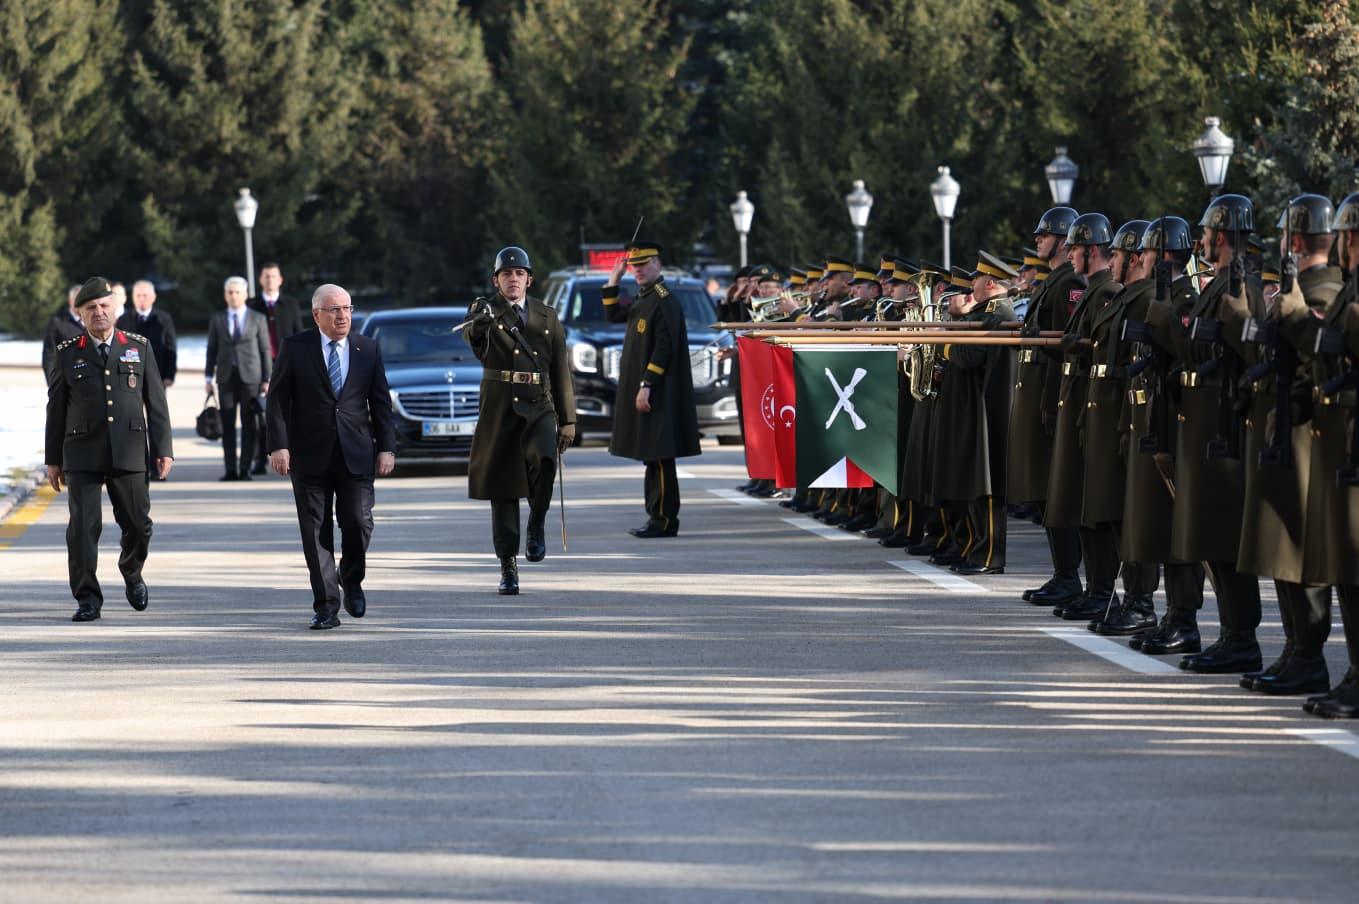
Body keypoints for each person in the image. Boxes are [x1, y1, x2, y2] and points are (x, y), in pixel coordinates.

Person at [1222, 193, 1339, 694]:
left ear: (1295, 241)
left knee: (1301, 549)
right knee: (1283, 550)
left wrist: (1286, 314)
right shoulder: (1298, 291)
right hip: (1280, 429)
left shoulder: (1326, 292)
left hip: (1308, 433)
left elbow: (1319, 354)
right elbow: (1260, 347)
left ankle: (1309, 655)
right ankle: (1294, 649)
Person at [266, 284, 396, 630]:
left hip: (355, 453)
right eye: (334, 310)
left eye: (347, 308)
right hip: (309, 456)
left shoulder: (367, 349)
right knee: (315, 532)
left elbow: (380, 402)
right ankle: (326, 605)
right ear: (316, 315)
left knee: (358, 521)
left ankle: (350, 578)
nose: (342, 316)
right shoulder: (297, 348)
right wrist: (279, 445)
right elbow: (277, 400)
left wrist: (387, 447)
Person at [44, 277, 173, 622]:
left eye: (104, 306)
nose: (99, 313)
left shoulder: (138, 346)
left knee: (139, 524)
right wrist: (53, 460)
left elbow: (155, 403)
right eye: (91, 309)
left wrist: (163, 448)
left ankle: (131, 570)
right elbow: (55, 407)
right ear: (80, 315)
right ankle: (87, 598)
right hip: (82, 450)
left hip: (129, 448)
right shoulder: (68, 352)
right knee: (82, 530)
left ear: (115, 308)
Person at [463, 246, 575, 595]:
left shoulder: (546, 315)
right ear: (496, 280)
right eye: (506, 274)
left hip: (539, 403)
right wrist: (480, 323)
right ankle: (508, 564)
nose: (513, 279)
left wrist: (568, 419)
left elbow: (560, 369)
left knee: (544, 460)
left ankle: (537, 522)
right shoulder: (485, 311)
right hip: (500, 406)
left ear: (529, 279)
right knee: (504, 486)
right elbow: (475, 339)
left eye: (519, 274)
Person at [1044, 212, 1123, 623]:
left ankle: (1103, 589)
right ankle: (1095, 588)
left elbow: (1100, 347)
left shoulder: (1106, 292)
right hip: (1080, 403)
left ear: (1091, 250)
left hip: (1095, 404)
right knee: (1084, 504)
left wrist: (1073, 343)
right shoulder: (1094, 290)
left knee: (1096, 507)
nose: (1070, 254)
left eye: (1075, 248)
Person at [1010, 208, 1084, 607]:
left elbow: (1066, 349)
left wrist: (1054, 404)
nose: (1038, 241)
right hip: (1037, 394)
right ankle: (1063, 573)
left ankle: (1069, 575)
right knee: (1041, 491)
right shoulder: (1050, 282)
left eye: (1044, 235)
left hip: (1050, 398)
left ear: (1062, 240)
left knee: (1054, 492)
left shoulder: (1069, 282)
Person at [602, 241, 701, 537]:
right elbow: (614, 316)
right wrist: (613, 281)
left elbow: (665, 347)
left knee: (659, 456)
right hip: (646, 389)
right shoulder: (644, 297)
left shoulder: (663, 299)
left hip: (657, 391)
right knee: (652, 455)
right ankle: (656, 517)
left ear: (658, 265)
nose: (639, 270)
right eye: (635, 265)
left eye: (644, 264)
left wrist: (647, 384)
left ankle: (664, 520)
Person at [929, 252, 1017, 575]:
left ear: (990, 282)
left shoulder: (997, 314)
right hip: (972, 406)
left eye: (976, 280)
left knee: (987, 485)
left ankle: (990, 554)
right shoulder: (985, 313)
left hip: (986, 407)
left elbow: (970, 355)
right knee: (973, 483)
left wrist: (946, 342)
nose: (972, 287)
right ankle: (974, 548)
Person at [205, 276, 272, 481]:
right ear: (225, 295)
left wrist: (266, 378)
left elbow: (265, 350)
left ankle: (245, 468)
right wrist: (208, 376)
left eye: (237, 292)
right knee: (227, 424)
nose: (233, 295)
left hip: (251, 377)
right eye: (230, 292)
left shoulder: (257, 318)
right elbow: (211, 349)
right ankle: (230, 469)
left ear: (245, 294)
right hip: (226, 377)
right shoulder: (218, 319)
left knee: (249, 424)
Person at [248, 262, 305, 475]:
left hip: (287, 366)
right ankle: (259, 459)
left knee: (288, 414)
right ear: (260, 279)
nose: (270, 280)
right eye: (266, 276)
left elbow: (299, 334)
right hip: (259, 368)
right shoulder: (252, 306)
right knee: (259, 416)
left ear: (280, 279)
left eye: (274, 276)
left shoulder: (290, 305)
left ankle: (290, 456)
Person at [116, 280, 177, 387]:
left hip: (158, 375)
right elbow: (117, 349)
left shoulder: (164, 319)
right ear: (133, 297)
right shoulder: (123, 320)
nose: (141, 299)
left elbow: (171, 348)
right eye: (138, 295)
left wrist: (169, 375)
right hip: (131, 377)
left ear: (153, 297)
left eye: (145, 295)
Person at [42, 285, 86, 386]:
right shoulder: (57, 323)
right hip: (67, 383)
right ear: (70, 301)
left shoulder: (93, 321)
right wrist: (53, 386)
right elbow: (49, 356)